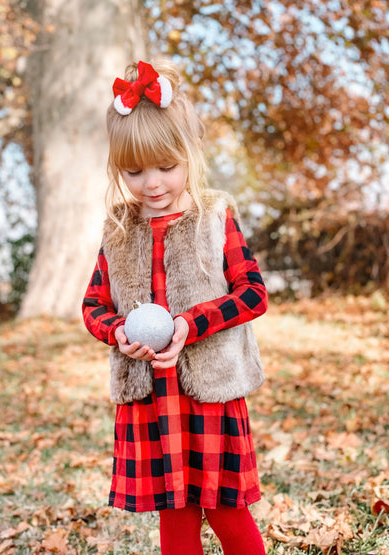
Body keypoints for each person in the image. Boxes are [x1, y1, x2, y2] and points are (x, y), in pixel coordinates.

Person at [82, 59, 268, 555]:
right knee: (176, 515)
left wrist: (190, 323)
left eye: (167, 166)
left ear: (190, 154)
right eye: (134, 170)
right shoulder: (118, 231)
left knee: (228, 510)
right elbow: (92, 307)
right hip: (151, 401)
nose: (152, 183)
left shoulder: (213, 217)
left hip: (210, 394)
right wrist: (118, 332)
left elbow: (253, 293)